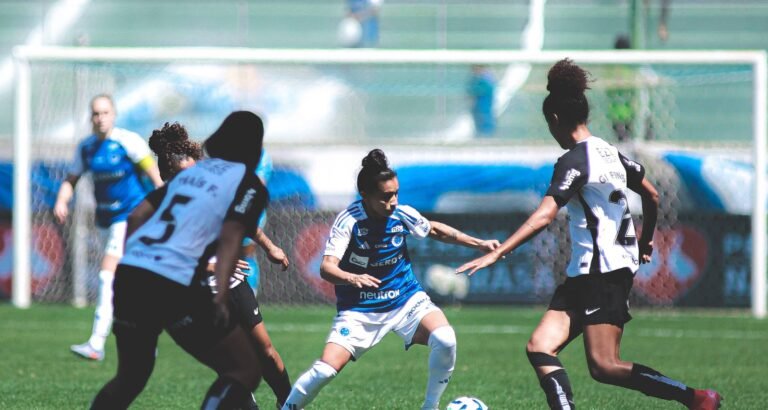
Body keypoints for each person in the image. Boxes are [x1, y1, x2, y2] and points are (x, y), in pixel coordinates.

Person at [456, 59, 722, 410]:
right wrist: (644, 241)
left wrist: (498, 251)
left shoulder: (574, 161)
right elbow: (652, 194)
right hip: (588, 272)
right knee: (540, 346)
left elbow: (544, 214)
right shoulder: (610, 153)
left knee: (605, 366)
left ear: (554, 120)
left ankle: (695, 398)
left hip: (602, 273)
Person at [281, 149, 501, 410]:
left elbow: (434, 229)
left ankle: (430, 407)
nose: (393, 201)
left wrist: (479, 244)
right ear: (365, 195)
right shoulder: (349, 221)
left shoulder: (401, 214)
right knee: (325, 371)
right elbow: (327, 268)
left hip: (405, 300)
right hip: (361, 311)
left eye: (396, 193)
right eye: (386, 197)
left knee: (445, 339)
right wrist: (352, 277)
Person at [89, 111, 268, 409]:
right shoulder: (248, 184)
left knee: (130, 377)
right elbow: (230, 238)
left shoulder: (192, 174)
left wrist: (136, 256)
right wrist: (221, 296)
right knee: (244, 370)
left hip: (131, 274)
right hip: (172, 282)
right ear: (254, 149)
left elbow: (137, 215)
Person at [148, 121, 293, 407]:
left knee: (266, 353)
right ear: (167, 177)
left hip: (234, 286)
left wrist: (271, 247)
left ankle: (288, 403)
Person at [54, 94, 163, 361]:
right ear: (90, 117)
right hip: (105, 219)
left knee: (106, 273)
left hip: (131, 217)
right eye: (95, 113)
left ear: (113, 115)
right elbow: (72, 178)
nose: (100, 118)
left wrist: (168, 203)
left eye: (104, 112)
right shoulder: (87, 148)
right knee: (128, 281)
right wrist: (61, 199)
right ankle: (146, 336)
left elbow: (156, 177)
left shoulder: (128, 142)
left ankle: (96, 342)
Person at [467, 64, 497, 137]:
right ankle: (481, 135)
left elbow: (483, 90)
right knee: (478, 120)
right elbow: (471, 91)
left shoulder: (487, 79)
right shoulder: (475, 79)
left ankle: (487, 135)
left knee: (485, 119)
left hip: (484, 105)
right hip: (477, 105)